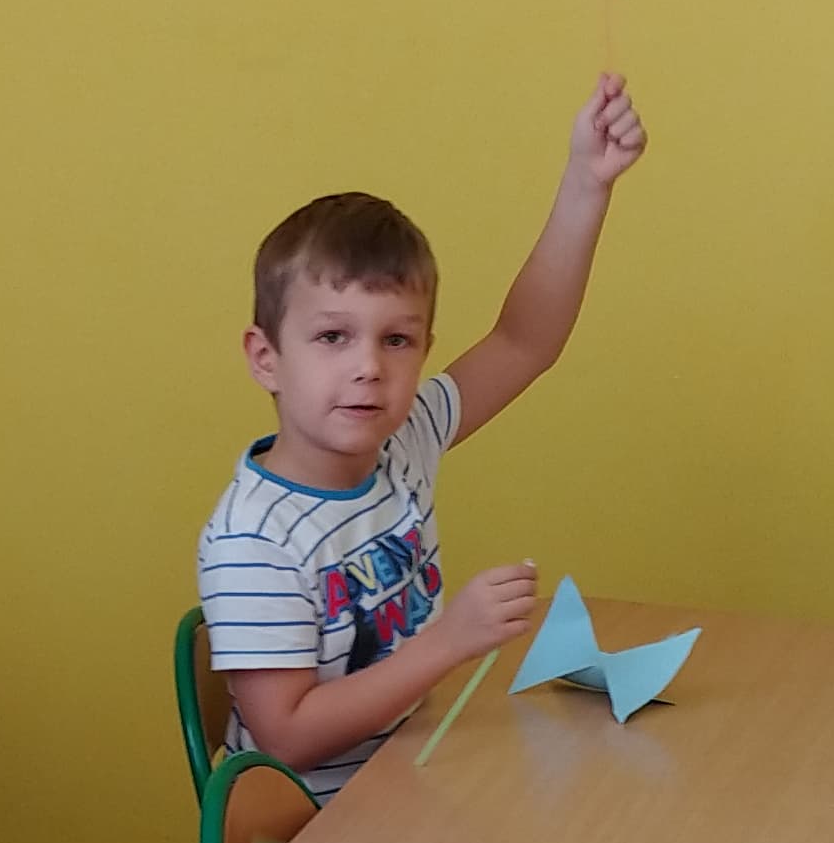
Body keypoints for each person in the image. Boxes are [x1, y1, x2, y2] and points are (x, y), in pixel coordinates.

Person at [199, 79, 648, 800]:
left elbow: (525, 340)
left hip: (412, 780)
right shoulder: (253, 540)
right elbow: (288, 737)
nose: (369, 367)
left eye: (397, 340)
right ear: (266, 357)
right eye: (332, 337)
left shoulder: (403, 441)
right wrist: (450, 641)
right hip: (316, 830)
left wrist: (586, 184)